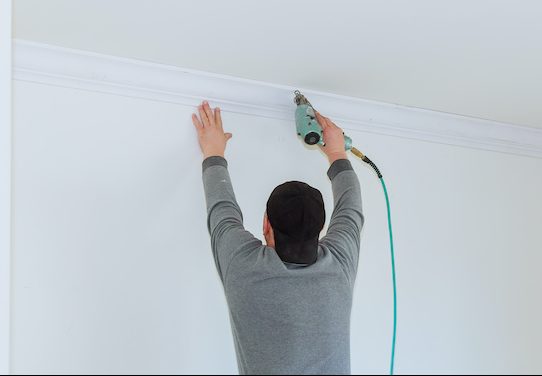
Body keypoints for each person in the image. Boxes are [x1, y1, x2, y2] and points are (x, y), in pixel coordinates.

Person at [192, 100, 364, 375]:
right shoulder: (339, 267)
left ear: (265, 224)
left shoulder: (244, 266)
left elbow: (222, 211)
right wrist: (335, 151)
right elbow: (351, 209)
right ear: (320, 229)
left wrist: (213, 149)